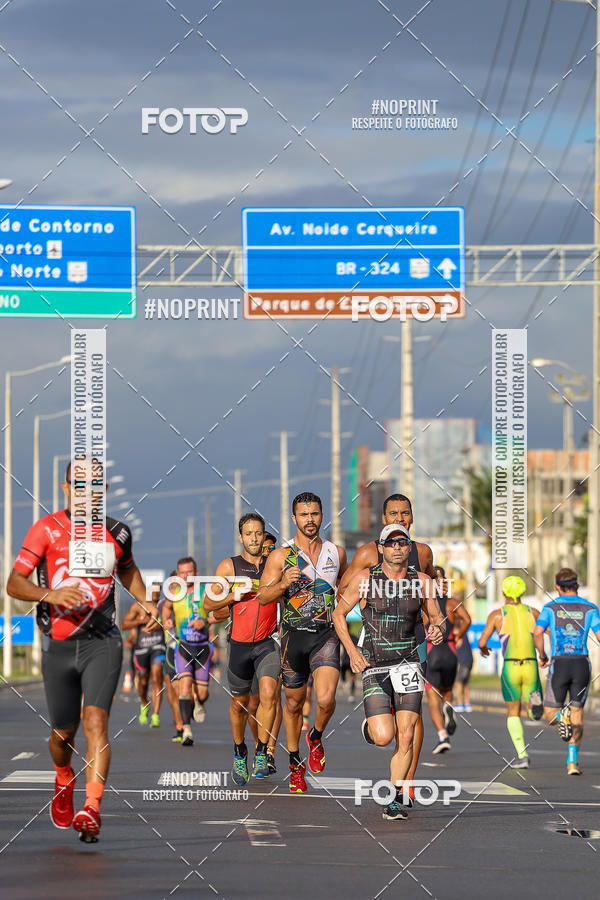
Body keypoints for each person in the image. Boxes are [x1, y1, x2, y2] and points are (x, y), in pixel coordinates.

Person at [6, 459, 158, 841]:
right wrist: (50, 594)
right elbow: (14, 582)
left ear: (103, 490)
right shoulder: (46, 529)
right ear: (65, 488)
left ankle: (92, 808)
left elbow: (128, 570)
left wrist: (147, 600)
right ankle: (63, 777)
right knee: (62, 735)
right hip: (59, 643)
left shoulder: (117, 532)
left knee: (96, 723)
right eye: (79, 484)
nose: (87, 491)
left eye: (95, 484)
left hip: (103, 642)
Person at [333, 524, 444, 821]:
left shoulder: (422, 582)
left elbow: (436, 617)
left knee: (406, 735)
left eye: (402, 542)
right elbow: (338, 614)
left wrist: (437, 630)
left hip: (409, 663)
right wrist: (352, 653)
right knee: (385, 737)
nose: (397, 546)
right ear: (380, 548)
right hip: (374, 663)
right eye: (390, 542)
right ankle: (372, 727)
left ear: (409, 547)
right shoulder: (365, 579)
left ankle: (394, 799)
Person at [259, 492, 347, 793]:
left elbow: (346, 591)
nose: (310, 520)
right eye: (304, 515)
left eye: (315, 514)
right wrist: (283, 582)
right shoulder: (281, 556)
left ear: (322, 516)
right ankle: (295, 763)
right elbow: (263, 596)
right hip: (293, 638)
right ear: (294, 518)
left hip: (326, 635)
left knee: (325, 699)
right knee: (294, 705)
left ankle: (317, 736)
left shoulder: (336, 553)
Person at [202, 513, 280, 784]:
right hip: (239, 645)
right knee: (240, 706)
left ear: (264, 534)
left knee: (269, 696)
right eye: (249, 534)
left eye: (258, 533)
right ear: (241, 537)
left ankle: (261, 752)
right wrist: (232, 595)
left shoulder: (275, 564)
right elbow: (208, 604)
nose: (254, 538)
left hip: (268, 643)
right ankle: (239, 751)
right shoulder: (229, 566)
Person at [534, 567, 600, 776]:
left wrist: (542, 656)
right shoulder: (590, 608)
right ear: (577, 585)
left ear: (556, 587)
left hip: (559, 663)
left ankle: (563, 716)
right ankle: (572, 761)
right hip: (581, 664)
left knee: (550, 714)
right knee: (578, 712)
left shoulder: (550, 608)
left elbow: (537, 632)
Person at [478, 575, 544, 769]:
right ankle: (535, 710)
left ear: (504, 592)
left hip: (511, 667)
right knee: (532, 710)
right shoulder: (533, 612)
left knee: (513, 712)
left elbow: (482, 641)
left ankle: (522, 755)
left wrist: (483, 649)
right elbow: (547, 633)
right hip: (531, 665)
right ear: (522, 591)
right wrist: (544, 653)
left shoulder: (497, 615)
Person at [161, 557, 216, 746]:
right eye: (182, 572)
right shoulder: (174, 592)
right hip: (183, 646)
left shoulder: (206, 592)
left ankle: (198, 702)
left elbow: (222, 612)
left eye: (189, 572)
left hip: (202, 648)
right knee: (184, 687)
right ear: (177, 574)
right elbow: (166, 609)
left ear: (196, 573)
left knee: (202, 694)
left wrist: (206, 621)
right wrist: (167, 620)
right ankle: (186, 730)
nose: (185, 576)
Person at [424, 566, 471, 753]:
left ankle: (442, 735)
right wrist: (458, 634)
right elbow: (467, 619)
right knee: (447, 690)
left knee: (432, 698)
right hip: (450, 651)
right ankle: (449, 707)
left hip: (432, 651)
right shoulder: (453, 603)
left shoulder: (424, 603)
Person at [122, 591, 166, 727]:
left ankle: (155, 715)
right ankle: (144, 703)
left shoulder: (163, 606)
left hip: (158, 645)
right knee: (142, 683)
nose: (155, 592)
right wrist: (141, 620)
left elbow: (169, 624)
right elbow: (124, 624)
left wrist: (159, 624)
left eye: (158, 589)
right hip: (141, 648)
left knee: (156, 677)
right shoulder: (137, 607)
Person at [454, 624, 473, 712]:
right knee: (465, 683)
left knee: (459, 682)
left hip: (463, 661)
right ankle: (467, 704)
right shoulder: (464, 632)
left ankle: (460, 703)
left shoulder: (457, 632)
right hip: (469, 660)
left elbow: (457, 644)